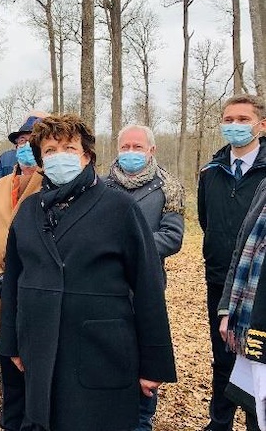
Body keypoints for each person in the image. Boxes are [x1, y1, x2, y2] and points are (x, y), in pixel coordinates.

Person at [0, 114, 176, 431]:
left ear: (87, 156)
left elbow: (148, 287)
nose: (59, 156)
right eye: (50, 150)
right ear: (40, 159)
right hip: (40, 347)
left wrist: (154, 362)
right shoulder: (28, 211)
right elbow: (12, 281)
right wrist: (11, 343)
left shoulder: (119, 208)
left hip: (101, 351)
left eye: (69, 148)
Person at [105, 124, 185, 431]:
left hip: (145, 288)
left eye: (137, 147)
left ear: (151, 151)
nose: (130, 153)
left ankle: (142, 418)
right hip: (105, 286)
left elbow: (173, 237)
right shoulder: (102, 185)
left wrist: (130, 244)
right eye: (125, 147)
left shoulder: (169, 188)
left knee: (144, 356)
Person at [198, 94, 266, 431]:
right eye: (229, 119)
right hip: (219, 278)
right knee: (222, 355)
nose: (235, 126)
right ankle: (219, 420)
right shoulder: (210, 172)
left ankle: (257, 418)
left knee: (257, 356)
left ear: (261, 125)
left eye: (243, 119)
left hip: (259, 285)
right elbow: (205, 220)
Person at [0, 114, 44, 430]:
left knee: (36, 376)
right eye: (21, 142)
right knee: (10, 374)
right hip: (2, 288)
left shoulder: (53, 185)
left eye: (32, 141)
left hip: (38, 292)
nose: (26, 147)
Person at [218, 176, 266, 431]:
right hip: (254, 323)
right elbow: (243, 246)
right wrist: (229, 310)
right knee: (255, 409)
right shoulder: (265, 186)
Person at [0, 111, 47, 194]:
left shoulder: (52, 174)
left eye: (33, 140)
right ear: (17, 145)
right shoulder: (6, 160)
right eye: (22, 140)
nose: (28, 145)